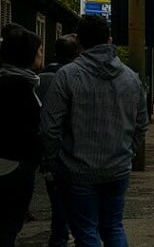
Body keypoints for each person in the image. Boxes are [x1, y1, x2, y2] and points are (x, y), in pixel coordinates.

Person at [40, 15, 149, 247]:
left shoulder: (67, 76)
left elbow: (50, 127)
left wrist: (53, 162)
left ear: (78, 41)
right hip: (118, 169)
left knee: (86, 231)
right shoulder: (132, 79)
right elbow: (141, 125)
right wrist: (127, 153)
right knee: (113, 227)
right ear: (109, 40)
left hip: (77, 170)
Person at [0, 23, 45, 247]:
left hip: (14, 163)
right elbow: (24, 130)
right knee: (9, 225)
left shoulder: (17, 81)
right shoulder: (17, 87)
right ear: (27, 54)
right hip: (13, 166)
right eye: (39, 50)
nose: (41, 54)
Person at [38, 33, 81, 247]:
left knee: (58, 205)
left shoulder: (39, 79)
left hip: (47, 153)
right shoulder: (77, 78)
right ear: (77, 54)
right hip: (73, 153)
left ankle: (60, 237)